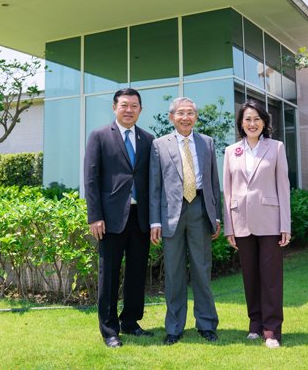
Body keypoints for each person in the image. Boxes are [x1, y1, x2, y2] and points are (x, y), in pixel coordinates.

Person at [84, 88, 155, 348]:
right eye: (124, 105)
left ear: (140, 109)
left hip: (140, 217)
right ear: (115, 107)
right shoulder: (99, 136)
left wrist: (154, 219)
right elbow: (91, 179)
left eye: (134, 106)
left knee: (137, 273)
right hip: (110, 218)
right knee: (109, 275)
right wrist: (95, 216)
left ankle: (131, 322)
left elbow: (152, 182)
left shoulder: (148, 139)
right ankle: (109, 330)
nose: (129, 110)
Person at [149, 97, 221, 346]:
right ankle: (174, 327)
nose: (186, 117)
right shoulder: (159, 145)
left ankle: (206, 324)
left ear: (196, 117)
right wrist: (154, 222)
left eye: (190, 112)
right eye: (181, 113)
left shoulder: (207, 143)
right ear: (172, 117)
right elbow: (154, 186)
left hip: (200, 209)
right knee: (174, 273)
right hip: (171, 214)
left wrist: (216, 215)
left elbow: (213, 182)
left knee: (202, 270)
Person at [222, 101, 292, 349]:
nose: (252, 124)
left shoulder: (276, 147)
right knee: (250, 276)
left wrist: (286, 224)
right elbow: (228, 191)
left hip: (270, 221)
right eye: (247, 119)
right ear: (241, 123)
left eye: (256, 119)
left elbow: (283, 187)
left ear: (264, 122)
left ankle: (272, 329)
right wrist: (229, 227)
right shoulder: (231, 151)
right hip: (241, 221)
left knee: (271, 278)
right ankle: (255, 325)